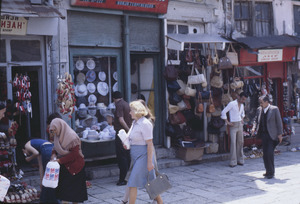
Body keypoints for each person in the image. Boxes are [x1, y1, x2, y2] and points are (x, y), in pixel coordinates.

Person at [125, 100, 163, 204]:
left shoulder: (145, 124)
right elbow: (130, 137)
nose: (129, 112)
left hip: (143, 156)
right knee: (151, 182)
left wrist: (149, 162)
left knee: (132, 183)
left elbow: (150, 144)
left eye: (131, 110)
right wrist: (126, 143)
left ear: (136, 111)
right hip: (136, 155)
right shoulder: (135, 122)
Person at [49, 117, 88, 204]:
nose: (53, 133)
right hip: (65, 166)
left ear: (60, 127)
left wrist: (59, 160)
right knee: (64, 193)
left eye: (54, 130)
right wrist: (54, 155)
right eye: (52, 131)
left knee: (75, 195)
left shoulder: (72, 137)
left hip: (75, 166)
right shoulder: (58, 136)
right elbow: (55, 147)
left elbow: (74, 155)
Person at [251, 95, 283, 179]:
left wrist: (280, 134)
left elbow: (279, 122)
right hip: (263, 134)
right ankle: (267, 171)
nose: (260, 104)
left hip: (272, 135)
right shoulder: (259, 109)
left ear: (266, 102)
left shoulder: (274, 109)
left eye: (261, 102)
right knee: (265, 154)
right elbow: (255, 119)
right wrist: (254, 127)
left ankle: (271, 172)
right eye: (260, 102)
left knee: (269, 153)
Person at [22, 139, 59, 204]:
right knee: (48, 176)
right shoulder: (39, 148)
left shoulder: (27, 145)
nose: (27, 154)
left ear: (23, 149)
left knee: (49, 178)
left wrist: (29, 158)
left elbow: (36, 153)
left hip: (48, 149)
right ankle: (46, 198)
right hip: (51, 148)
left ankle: (49, 199)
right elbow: (40, 166)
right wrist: (41, 182)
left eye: (25, 154)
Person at [221, 92, 248, 167]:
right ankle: (233, 161)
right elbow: (223, 112)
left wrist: (242, 118)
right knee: (233, 142)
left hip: (240, 124)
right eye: (242, 99)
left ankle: (240, 160)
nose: (243, 101)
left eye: (244, 100)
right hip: (233, 125)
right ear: (238, 96)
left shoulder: (242, 105)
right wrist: (227, 122)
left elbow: (243, 113)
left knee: (240, 142)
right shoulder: (232, 104)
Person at [112, 91, 132, 186]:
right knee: (127, 156)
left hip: (121, 133)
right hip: (126, 133)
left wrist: (128, 130)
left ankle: (122, 179)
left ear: (113, 99)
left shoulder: (119, 105)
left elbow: (121, 119)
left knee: (122, 157)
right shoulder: (126, 103)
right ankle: (128, 177)